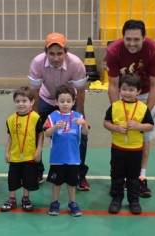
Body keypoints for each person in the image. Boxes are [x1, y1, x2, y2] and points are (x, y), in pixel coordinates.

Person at [105, 19, 155, 198]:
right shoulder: (113, 51)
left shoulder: (154, 50)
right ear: (123, 37)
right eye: (128, 39)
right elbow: (113, 85)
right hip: (123, 92)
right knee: (121, 132)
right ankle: (120, 178)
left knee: (144, 136)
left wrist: (145, 112)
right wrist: (117, 110)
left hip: (145, 93)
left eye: (136, 39)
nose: (132, 43)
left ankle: (141, 177)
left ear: (144, 37)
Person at [28, 32, 90, 190]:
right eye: (51, 54)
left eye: (59, 54)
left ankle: (79, 174)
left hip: (69, 102)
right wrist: (35, 117)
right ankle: (37, 171)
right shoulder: (37, 62)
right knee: (35, 131)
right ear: (45, 53)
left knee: (81, 135)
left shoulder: (76, 64)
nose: (55, 58)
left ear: (66, 52)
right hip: (45, 99)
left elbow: (81, 90)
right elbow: (34, 91)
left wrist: (79, 114)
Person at [104, 74, 154, 214]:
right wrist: (115, 128)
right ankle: (116, 199)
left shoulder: (143, 108)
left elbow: (150, 126)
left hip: (135, 149)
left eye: (131, 90)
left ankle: (134, 200)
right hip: (118, 148)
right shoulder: (115, 106)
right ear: (120, 90)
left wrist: (138, 126)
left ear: (138, 91)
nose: (127, 92)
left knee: (133, 176)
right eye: (124, 89)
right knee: (117, 175)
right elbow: (106, 122)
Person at [44, 84, 89, 217]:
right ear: (56, 101)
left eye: (68, 101)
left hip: (73, 158)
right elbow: (47, 133)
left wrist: (84, 124)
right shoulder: (52, 117)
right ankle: (55, 202)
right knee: (56, 183)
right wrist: (54, 128)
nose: (65, 104)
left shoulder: (78, 116)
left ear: (73, 102)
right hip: (57, 158)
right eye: (62, 101)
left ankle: (73, 203)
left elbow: (86, 133)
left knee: (72, 183)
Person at [0, 86, 43, 212]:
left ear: (32, 102)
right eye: (18, 101)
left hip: (30, 156)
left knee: (28, 179)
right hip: (15, 156)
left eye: (24, 101)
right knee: (12, 179)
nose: (21, 104)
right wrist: (6, 151)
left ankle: (25, 198)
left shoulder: (36, 118)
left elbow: (40, 134)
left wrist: (38, 150)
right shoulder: (11, 119)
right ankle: (12, 199)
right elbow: (10, 137)